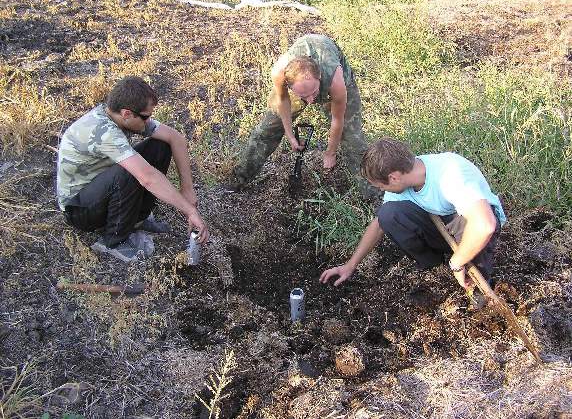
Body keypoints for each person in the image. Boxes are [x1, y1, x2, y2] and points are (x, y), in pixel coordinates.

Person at [319, 138, 506, 302]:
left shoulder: (450, 174)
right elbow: (378, 225)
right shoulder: (407, 178)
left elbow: (484, 225)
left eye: (381, 186)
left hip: (473, 226)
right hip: (442, 225)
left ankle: (475, 284)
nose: (383, 191)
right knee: (388, 214)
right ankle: (435, 268)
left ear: (393, 177)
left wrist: (457, 262)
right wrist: (350, 265)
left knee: (470, 228)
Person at [56, 76, 209, 262]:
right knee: (130, 171)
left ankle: (136, 220)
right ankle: (113, 241)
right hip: (79, 210)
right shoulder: (103, 132)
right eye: (145, 117)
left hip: (102, 188)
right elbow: (148, 178)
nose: (149, 121)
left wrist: (187, 189)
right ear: (127, 113)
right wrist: (190, 211)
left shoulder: (119, 117)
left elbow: (175, 138)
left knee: (159, 146)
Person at [229, 34, 375, 197]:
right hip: (303, 85)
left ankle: (371, 194)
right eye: (304, 97)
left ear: (319, 77)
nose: (311, 101)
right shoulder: (279, 73)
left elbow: (337, 119)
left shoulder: (335, 79)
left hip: (332, 79)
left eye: (313, 94)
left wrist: (330, 152)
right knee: (265, 131)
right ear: (289, 85)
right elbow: (283, 101)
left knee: (353, 140)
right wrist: (290, 136)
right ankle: (238, 180)